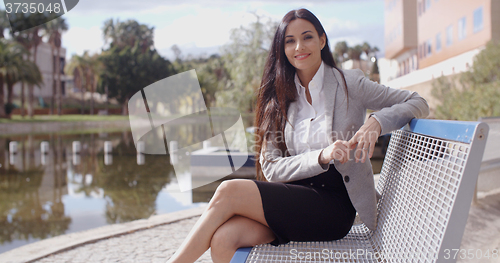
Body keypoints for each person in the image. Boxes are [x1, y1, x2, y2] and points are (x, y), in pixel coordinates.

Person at [167, 8, 429, 263]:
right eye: (290, 41)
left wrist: (376, 121)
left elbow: (417, 101)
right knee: (224, 238)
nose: (299, 47)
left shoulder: (350, 83)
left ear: (322, 40)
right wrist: (321, 155)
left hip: (334, 206)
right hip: (292, 198)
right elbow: (270, 169)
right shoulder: (278, 97)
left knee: (229, 190)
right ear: (282, 49)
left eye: (307, 37)